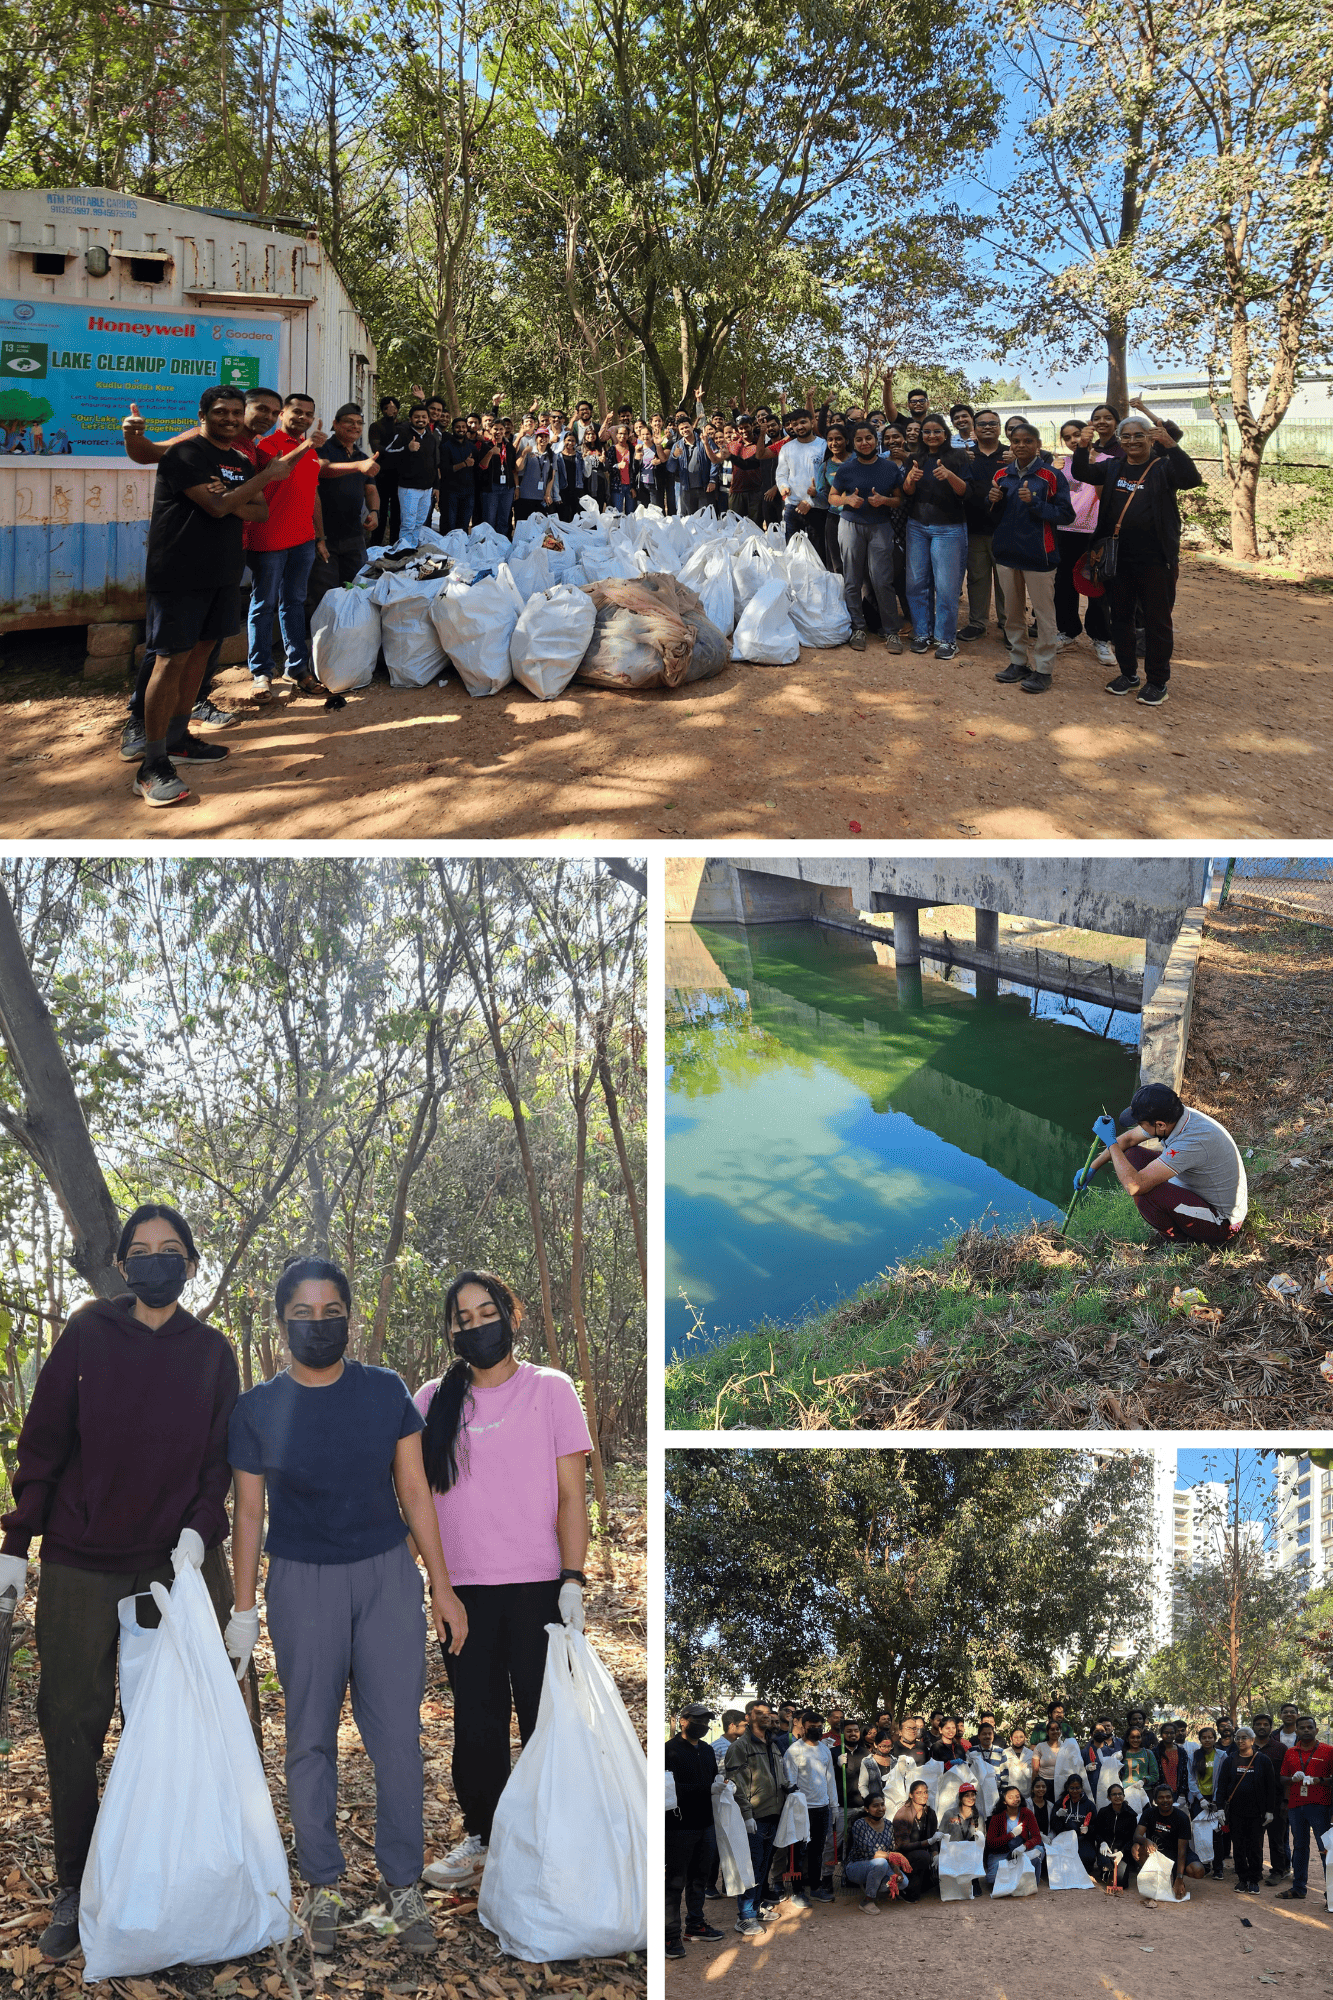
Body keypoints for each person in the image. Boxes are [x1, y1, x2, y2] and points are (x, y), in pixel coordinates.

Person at [0, 1203, 244, 1963]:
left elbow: (217, 1461)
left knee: (174, 1728)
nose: (154, 1261)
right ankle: (79, 1885)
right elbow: (44, 1438)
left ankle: (162, 1884)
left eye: (170, 1250)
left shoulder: (212, 1352)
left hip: (175, 1562)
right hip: (79, 1558)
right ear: (121, 1265)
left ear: (191, 1264)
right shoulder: (87, 1334)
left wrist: (201, 1532)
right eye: (140, 1251)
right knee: (70, 1723)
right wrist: (16, 1541)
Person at [228, 1256, 464, 1959]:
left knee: (396, 1737)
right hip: (301, 1579)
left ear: (349, 1317)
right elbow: (246, 1512)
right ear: (281, 1326)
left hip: (387, 1575)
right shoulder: (257, 1407)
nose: (318, 1325)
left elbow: (415, 1491)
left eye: (331, 1312)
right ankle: (323, 1884)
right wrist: (242, 1609)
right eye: (302, 1315)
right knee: (308, 1738)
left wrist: (441, 1584)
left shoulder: (384, 1391)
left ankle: (402, 1883)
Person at [407, 1269, 592, 1891]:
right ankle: (484, 1838)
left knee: (545, 1719)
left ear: (512, 1314)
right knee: (478, 1723)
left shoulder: (551, 1390)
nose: (477, 1325)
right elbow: (414, 1498)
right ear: (451, 1331)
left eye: (488, 1312)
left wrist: (573, 1578)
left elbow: (572, 1495)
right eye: (463, 1318)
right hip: (462, 1596)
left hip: (539, 1586)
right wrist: (437, 1584)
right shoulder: (432, 1401)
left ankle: (549, 1842)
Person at [133, 386, 305, 804]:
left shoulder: (238, 458)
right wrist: (252, 486)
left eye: (233, 412)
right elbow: (216, 507)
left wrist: (231, 498)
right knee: (169, 660)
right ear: (203, 413)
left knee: (200, 655)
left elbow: (257, 510)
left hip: (222, 571)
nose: (229, 418)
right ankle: (151, 764)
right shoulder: (186, 454)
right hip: (179, 572)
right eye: (221, 412)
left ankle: (178, 738)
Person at [1069, 412, 1203, 705]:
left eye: (1138, 435)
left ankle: (1157, 681)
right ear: (1119, 440)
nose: (1131, 441)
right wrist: (1082, 447)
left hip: (1156, 559)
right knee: (1121, 618)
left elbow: (1192, 479)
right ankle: (1128, 674)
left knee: (1157, 621)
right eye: (1125, 436)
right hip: (1117, 559)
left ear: (1150, 438)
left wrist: (1172, 446)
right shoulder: (1114, 467)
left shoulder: (1163, 467)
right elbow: (1082, 474)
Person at [1083, 1083, 1248, 1244]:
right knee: (1132, 1154)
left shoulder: (1193, 1141)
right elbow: (1129, 1139)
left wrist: (1110, 1142)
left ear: (1160, 1125)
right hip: (1197, 1191)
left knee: (1146, 1194)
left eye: (1141, 1124)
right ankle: (1178, 1223)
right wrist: (1092, 1167)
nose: (1139, 1128)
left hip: (1222, 1223)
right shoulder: (1175, 1117)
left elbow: (1133, 1186)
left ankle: (1180, 1241)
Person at [986, 422, 1075, 694]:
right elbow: (995, 516)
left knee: (1045, 617)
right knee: (1012, 614)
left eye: (1027, 441)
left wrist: (1035, 504)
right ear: (1010, 444)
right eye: (1016, 441)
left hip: (1040, 556)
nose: (1021, 445)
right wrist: (993, 501)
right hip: (1007, 554)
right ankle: (1018, 662)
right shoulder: (1002, 474)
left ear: (1038, 445)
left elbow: (1066, 515)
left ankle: (1044, 669)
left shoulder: (1050, 476)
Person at [829, 420, 904, 654]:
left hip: (880, 526)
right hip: (850, 525)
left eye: (869, 438)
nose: (864, 443)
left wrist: (885, 501)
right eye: (859, 439)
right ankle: (857, 628)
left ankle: (892, 631)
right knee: (852, 578)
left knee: (882, 579)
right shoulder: (846, 469)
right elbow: (832, 496)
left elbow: (900, 500)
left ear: (876, 440)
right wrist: (847, 500)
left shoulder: (890, 468)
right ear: (854, 442)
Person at [900, 414, 972, 659]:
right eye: (926, 432)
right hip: (917, 525)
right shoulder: (914, 458)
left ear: (945, 433)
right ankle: (922, 633)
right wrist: (910, 479)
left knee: (946, 586)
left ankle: (946, 639)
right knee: (916, 583)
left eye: (937, 431)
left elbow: (966, 492)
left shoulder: (959, 457)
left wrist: (949, 475)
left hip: (949, 528)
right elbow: (907, 492)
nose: (931, 436)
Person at [1052, 417, 1115, 664]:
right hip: (1065, 531)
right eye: (1067, 437)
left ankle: (1101, 638)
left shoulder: (1108, 463)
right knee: (1063, 584)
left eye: (1077, 434)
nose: (1073, 440)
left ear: (1088, 434)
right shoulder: (1060, 464)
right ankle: (1067, 632)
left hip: (1095, 533)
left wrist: (1090, 463)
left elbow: (1107, 497)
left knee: (1096, 586)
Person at [307, 404, 380, 618]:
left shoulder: (361, 455)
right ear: (335, 424)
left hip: (354, 537)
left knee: (356, 589)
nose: (355, 426)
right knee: (324, 595)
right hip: (324, 537)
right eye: (349, 421)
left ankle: (349, 640)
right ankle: (320, 643)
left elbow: (371, 489)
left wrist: (374, 511)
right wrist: (357, 466)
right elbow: (320, 469)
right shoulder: (322, 449)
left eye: (359, 423)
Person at [665, 1706, 726, 1955]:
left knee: (700, 1877)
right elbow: (666, 1788)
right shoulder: (669, 1750)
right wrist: (704, 1789)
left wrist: (721, 1785)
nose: (702, 1724)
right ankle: (670, 1936)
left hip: (705, 1823)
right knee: (675, 1881)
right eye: (697, 1720)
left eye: (706, 1721)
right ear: (682, 1721)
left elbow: (711, 1780)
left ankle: (696, 1924)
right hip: (679, 1825)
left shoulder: (708, 1750)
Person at [725, 1700, 786, 1936]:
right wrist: (747, 1814)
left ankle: (758, 1907)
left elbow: (777, 1775)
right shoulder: (740, 1747)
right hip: (754, 1817)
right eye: (758, 1713)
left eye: (768, 1713)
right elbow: (736, 1784)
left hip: (774, 1813)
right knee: (750, 1866)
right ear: (748, 1717)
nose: (765, 1717)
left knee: (764, 1865)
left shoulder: (773, 1744)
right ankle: (745, 1916)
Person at [958, 408, 1008, 641]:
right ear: (974, 429)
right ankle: (977, 622)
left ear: (1000, 427)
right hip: (975, 527)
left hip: (1005, 528)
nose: (988, 427)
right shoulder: (966, 456)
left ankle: (1009, 624)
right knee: (977, 577)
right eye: (982, 424)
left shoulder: (1011, 455)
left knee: (1006, 581)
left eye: (993, 423)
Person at [1278, 1714, 1333, 1901]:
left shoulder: (1328, 1750)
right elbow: (1282, 1777)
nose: (1306, 1730)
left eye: (1310, 1727)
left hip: (1320, 1806)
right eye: (1302, 1728)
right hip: (1296, 1806)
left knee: (1326, 1848)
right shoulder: (1291, 1752)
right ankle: (1298, 1888)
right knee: (1300, 1847)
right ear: (1297, 1731)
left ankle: (1331, 1893)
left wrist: (1321, 1780)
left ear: (1316, 1730)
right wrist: (1291, 1779)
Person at [781, 1712, 834, 1906]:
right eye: (812, 1726)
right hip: (802, 1809)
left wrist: (833, 1805)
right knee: (797, 1851)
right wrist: (795, 1808)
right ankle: (797, 1891)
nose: (816, 1729)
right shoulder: (794, 1751)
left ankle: (815, 1887)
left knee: (817, 1850)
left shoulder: (824, 1750)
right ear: (802, 1727)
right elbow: (790, 1783)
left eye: (819, 1726)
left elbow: (830, 1780)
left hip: (822, 1807)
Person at [1218, 1724, 1277, 1894]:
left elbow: (1270, 1788)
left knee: (1255, 1846)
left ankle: (1254, 1878)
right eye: (1238, 1737)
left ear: (1252, 1740)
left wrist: (1269, 1811)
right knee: (1238, 1846)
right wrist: (1220, 1808)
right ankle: (1242, 1879)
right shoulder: (1230, 1759)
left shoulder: (1262, 1760)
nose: (1240, 1740)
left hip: (1257, 1813)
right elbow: (1222, 1785)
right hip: (1235, 1812)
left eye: (1244, 1737)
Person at [379, 402, 441, 545]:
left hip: (427, 489)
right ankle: (404, 552)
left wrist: (436, 485)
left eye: (424, 417)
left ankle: (413, 551)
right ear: (410, 418)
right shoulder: (402, 433)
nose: (420, 419)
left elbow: (434, 463)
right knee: (408, 524)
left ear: (428, 418)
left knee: (420, 523)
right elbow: (387, 453)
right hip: (408, 488)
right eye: (417, 417)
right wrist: (407, 448)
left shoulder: (430, 438)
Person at [843, 1793, 911, 1911]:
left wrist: (897, 1872)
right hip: (856, 1867)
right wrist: (891, 1856)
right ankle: (867, 1901)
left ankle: (875, 1885)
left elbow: (890, 1851)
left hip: (881, 1865)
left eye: (882, 1805)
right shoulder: (860, 1824)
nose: (880, 1808)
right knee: (881, 1862)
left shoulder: (888, 1824)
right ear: (867, 1809)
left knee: (903, 1882)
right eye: (875, 1806)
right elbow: (868, 1852)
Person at [1140, 1782, 1206, 1897]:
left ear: (1172, 1798)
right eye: (1161, 1797)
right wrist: (1146, 1840)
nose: (1165, 1800)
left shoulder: (1182, 1818)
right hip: (1158, 1852)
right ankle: (1155, 1878)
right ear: (1155, 1800)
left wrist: (1179, 1879)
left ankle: (1174, 1876)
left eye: (1168, 1797)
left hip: (1178, 1852)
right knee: (1136, 1849)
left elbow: (1181, 1851)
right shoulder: (1148, 1813)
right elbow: (1137, 1835)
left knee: (1198, 1870)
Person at [775, 406, 827, 551]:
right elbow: (781, 474)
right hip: (792, 507)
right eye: (795, 424)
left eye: (803, 422)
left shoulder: (824, 446)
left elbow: (827, 480)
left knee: (817, 553)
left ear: (812, 422)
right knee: (793, 551)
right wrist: (783, 487)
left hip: (817, 507)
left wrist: (811, 501)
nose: (799, 427)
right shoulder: (787, 448)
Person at [1254, 1711, 1292, 1881]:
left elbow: (1287, 1776)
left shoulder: (1280, 1748)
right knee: (1254, 1839)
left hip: (1276, 1801)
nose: (1262, 1727)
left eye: (1265, 1724)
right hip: (1252, 1802)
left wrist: (1286, 1801)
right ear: (1253, 1726)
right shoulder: (1247, 1746)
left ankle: (1278, 1871)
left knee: (1277, 1839)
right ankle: (1255, 1870)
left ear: (1271, 1727)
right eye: (1258, 1724)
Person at [984, 1783, 1043, 1887]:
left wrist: (1024, 1846)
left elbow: (1037, 1837)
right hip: (1001, 1852)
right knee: (992, 1879)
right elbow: (990, 1843)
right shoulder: (997, 1817)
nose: (1015, 1799)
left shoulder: (1027, 1813)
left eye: (1017, 1796)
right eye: (1010, 1797)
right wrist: (1011, 1835)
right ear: (1004, 1801)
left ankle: (1027, 1879)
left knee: (1039, 1849)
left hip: (1022, 1851)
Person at [890, 1780, 937, 1899]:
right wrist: (927, 1843)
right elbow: (902, 1845)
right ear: (911, 1795)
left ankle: (926, 1881)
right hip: (903, 1854)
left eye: (926, 1792)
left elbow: (933, 1835)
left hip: (922, 1850)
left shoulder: (930, 1813)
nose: (924, 1796)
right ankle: (908, 1890)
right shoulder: (903, 1815)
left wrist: (936, 1853)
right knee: (923, 1856)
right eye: (919, 1792)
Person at [1192, 1723, 1229, 1878]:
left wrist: (1215, 1800)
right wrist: (1200, 1798)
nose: (1207, 1740)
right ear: (1200, 1739)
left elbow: (1223, 1779)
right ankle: (1205, 1864)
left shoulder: (1222, 1755)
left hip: (1216, 1799)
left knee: (1217, 1834)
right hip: (1198, 1800)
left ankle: (1218, 1867)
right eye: (1204, 1737)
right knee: (1200, 1834)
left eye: (1210, 1737)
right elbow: (1190, 1779)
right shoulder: (1194, 1755)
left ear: (1215, 1739)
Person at [1092, 1781, 1140, 1890]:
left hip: (1122, 1851)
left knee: (1121, 1882)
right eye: (1114, 1794)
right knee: (1106, 1871)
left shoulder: (1131, 1815)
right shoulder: (1103, 1812)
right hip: (1106, 1850)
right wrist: (1102, 1843)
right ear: (1109, 1797)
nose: (1117, 1796)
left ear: (1124, 1795)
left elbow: (1132, 1838)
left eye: (1120, 1794)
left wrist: (1122, 1852)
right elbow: (1097, 1832)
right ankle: (1105, 1872)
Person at [1121, 1723, 1160, 1792]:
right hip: (1126, 1792)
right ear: (1127, 1739)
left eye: (1138, 1737)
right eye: (1132, 1737)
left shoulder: (1148, 1753)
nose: (1135, 1740)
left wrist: (1144, 1781)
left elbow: (1155, 1775)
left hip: (1145, 1792)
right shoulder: (1121, 1754)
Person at [1000, 1723, 1035, 1798]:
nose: (1018, 1739)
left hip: (1027, 1793)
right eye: (1015, 1737)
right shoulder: (1004, 1753)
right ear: (1011, 1738)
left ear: (1025, 1738)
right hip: (1009, 1792)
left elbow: (1034, 1773)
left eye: (1021, 1737)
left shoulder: (1031, 1754)